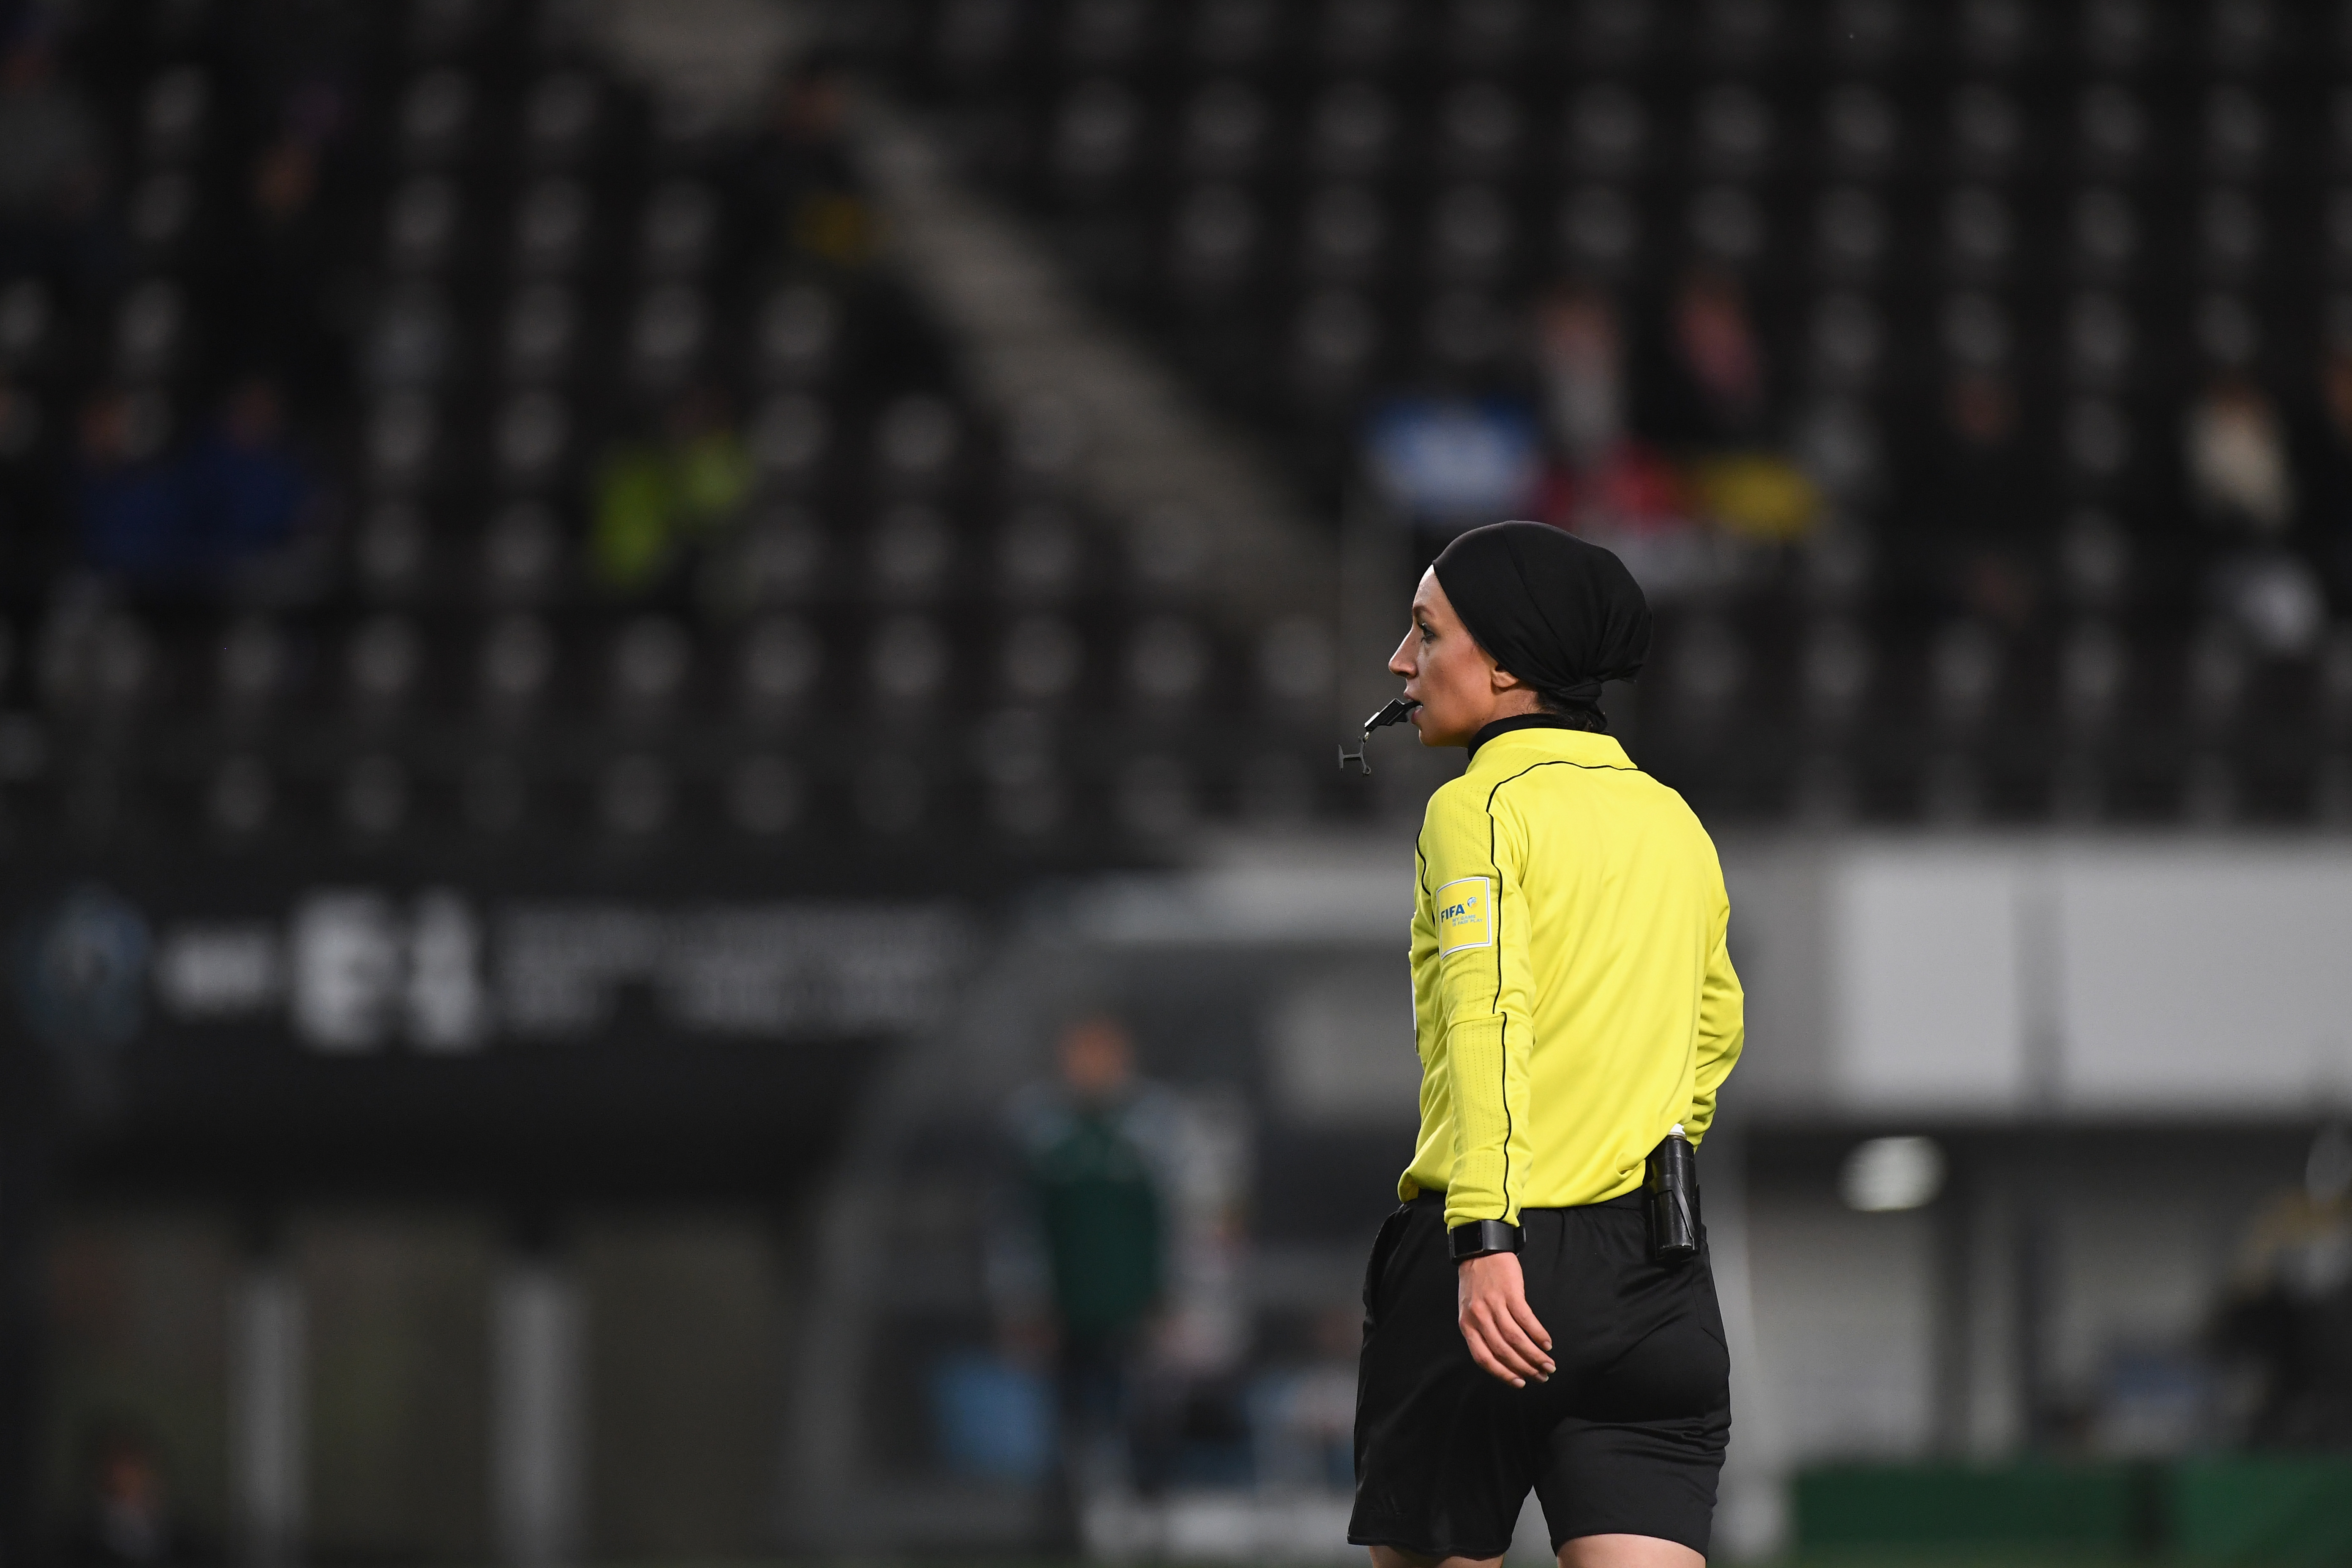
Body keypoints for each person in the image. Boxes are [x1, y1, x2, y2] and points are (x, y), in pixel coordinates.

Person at [1350, 520, 1744, 1568]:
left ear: (1509, 662)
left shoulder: (1472, 810)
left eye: (1427, 632)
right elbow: (1713, 1034)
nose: (1401, 661)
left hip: (1492, 1270)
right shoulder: (1673, 821)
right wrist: (1639, 1140)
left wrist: (1485, 1236)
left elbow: (1487, 1016)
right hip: (1655, 1274)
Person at [1003, 1015, 1178, 1532]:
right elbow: (1016, 1224)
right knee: (1068, 1421)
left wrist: (1175, 1298)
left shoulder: (1154, 1127)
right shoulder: (1039, 1128)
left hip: (1139, 1306)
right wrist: (1024, 1300)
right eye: (1083, 1054)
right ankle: (1065, 1527)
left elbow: (1178, 1219)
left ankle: (1149, 1522)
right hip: (1066, 1309)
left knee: (1147, 1416)